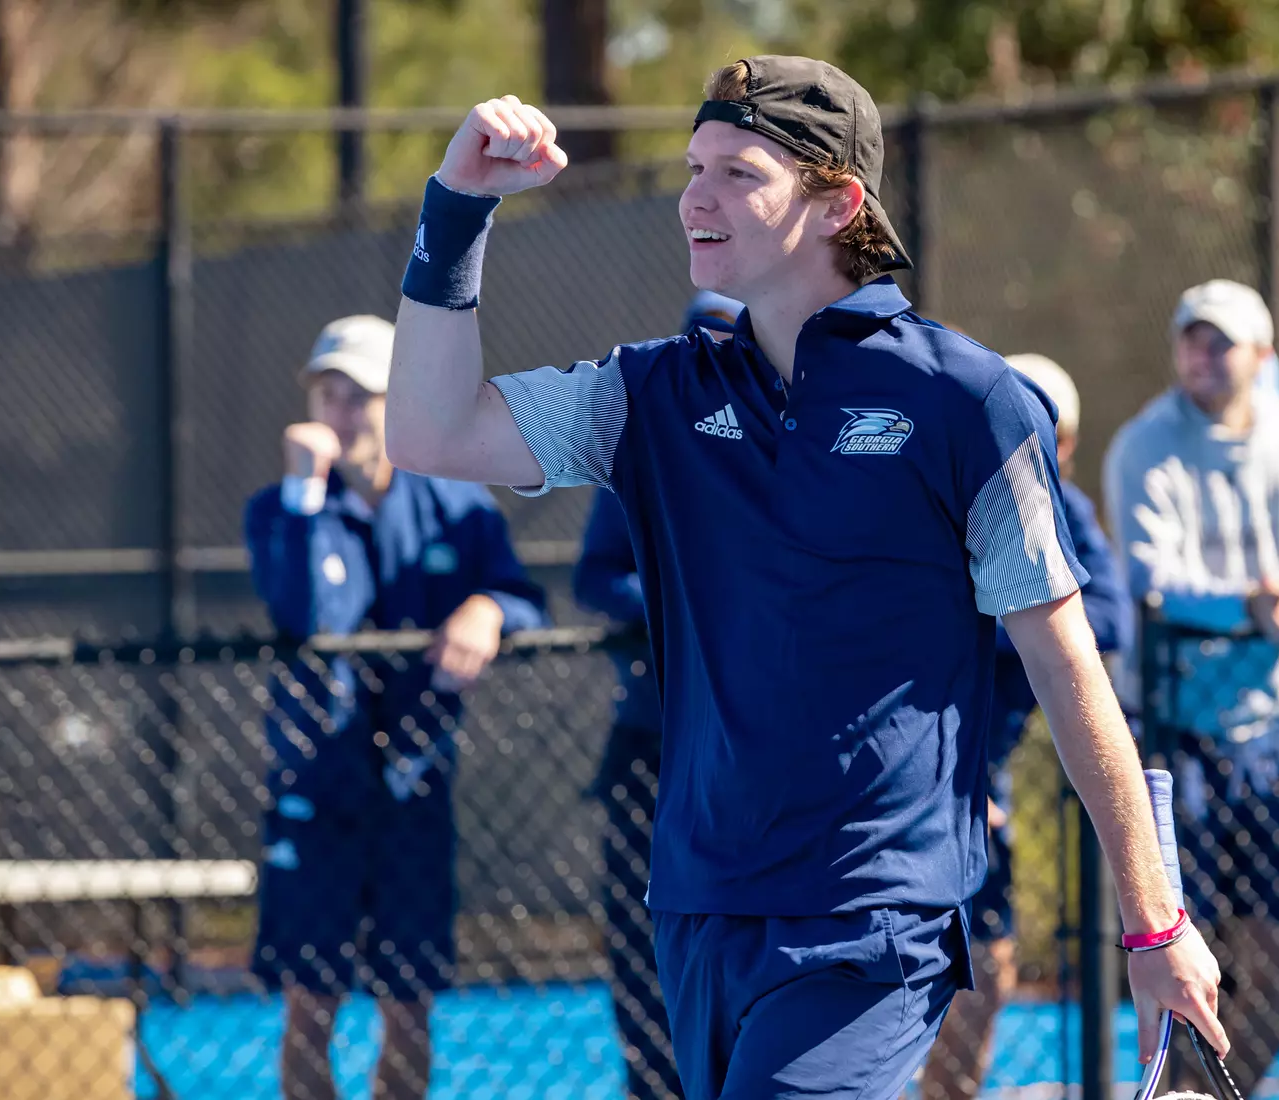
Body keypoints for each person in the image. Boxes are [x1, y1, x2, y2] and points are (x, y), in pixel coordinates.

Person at [384, 56, 1225, 1100]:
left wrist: (1156, 924)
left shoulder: (969, 400)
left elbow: (1069, 669)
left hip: (876, 912)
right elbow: (426, 429)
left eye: (740, 171)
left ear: (839, 202)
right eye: (694, 166)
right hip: (699, 903)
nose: (697, 195)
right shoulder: (653, 393)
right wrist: (459, 209)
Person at [243, 314, 549, 1100]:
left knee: (409, 1007)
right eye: (327, 394)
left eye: (361, 396)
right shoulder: (281, 510)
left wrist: (488, 609)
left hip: (414, 791)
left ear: (397, 402)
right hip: (315, 799)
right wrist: (306, 495)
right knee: (310, 1007)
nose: (340, 414)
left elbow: (521, 594)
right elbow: (304, 614)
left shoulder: (457, 504)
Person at [1104, 279, 1279, 1091]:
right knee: (1185, 937)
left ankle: (1219, 1092)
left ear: (1263, 355)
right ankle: (1179, 1088)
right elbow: (1150, 581)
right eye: (1191, 337)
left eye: (1221, 341)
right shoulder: (1143, 443)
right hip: (1173, 738)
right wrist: (1250, 607)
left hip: (1274, 737)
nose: (1203, 354)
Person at [918, 353, 1131, 1100]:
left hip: (981, 783)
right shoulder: (933, 491)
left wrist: (1016, 621)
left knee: (987, 955)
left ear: (1063, 444)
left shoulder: (1062, 511)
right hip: (921, 773)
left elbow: (1108, 618)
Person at [575, 289, 743, 1100]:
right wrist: (687, 599)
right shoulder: (642, 448)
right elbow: (595, 576)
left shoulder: (796, 451)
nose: (713, 352)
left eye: (730, 335)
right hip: (653, 745)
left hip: (757, 753)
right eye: (699, 337)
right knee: (645, 941)